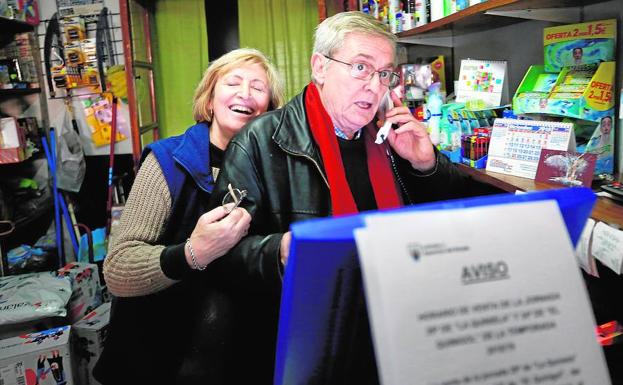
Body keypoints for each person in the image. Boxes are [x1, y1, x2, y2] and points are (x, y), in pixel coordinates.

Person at [210, 11, 499, 383]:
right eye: (361, 67)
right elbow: (221, 259)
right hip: (308, 344)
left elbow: (442, 221)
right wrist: (278, 251)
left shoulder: (393, 136)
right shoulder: (260, 140)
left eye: (384, 74)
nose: (375, 86)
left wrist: (425, 166)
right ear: (321, 67)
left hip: (397, 333)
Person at [94, 48, 285, 385]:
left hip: (238, 358)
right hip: (159, 359)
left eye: (258, 87)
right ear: (209, 101)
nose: (245, 94)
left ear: (269, 109)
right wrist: (192, 253)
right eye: (233, 83)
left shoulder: (277, 169)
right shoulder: (168, 162)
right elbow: (118, 270)